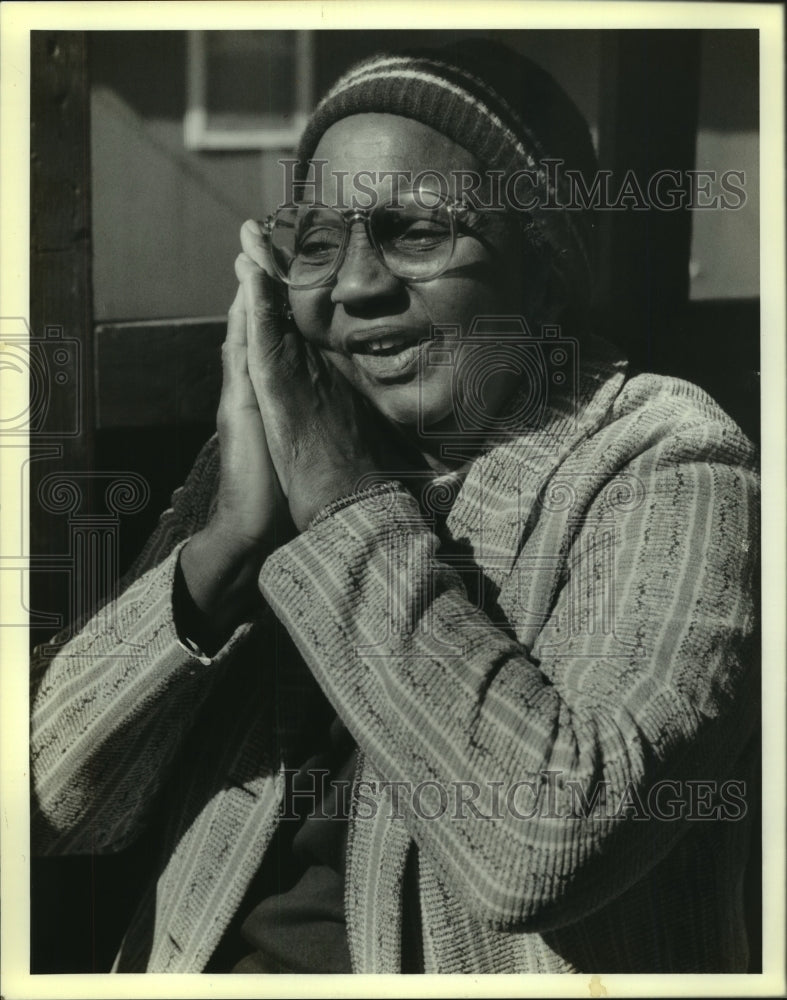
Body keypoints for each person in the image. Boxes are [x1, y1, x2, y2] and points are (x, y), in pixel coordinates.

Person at [30, 40, 759, 974]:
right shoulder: (275, 455)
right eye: (318, 244)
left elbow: (551, 840)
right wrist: (228, 548)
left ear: (540, 270)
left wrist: (339, 507)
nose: (358, 287)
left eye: (415, 232)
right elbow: (42, 807)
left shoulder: (667, 461)